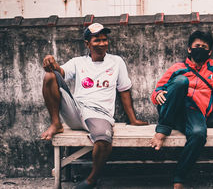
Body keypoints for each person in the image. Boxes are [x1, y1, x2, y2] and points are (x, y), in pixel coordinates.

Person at [40, 23, 148, 189]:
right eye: (97, 40)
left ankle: (91, 179)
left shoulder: (117, 62)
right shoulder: (78, 62)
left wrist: (132, 119)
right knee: (49, 76)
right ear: (87, 44)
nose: (102, 43)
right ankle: (56, 123)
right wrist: (50, 61)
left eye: (105, 40)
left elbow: (124, 90)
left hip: (99, 114)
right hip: (76, 110)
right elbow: (59, 72)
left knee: (104, 141)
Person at [150, 30, 213, 189]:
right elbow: (158, 90)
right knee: (181, 82)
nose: (200, 49)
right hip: (172, 110)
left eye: (204, 47)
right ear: (189, 49)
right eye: (197, 46)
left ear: (210, 52)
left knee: (198, 135)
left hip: (195, 112)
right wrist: (157, 95)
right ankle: (162, 131)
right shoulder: (177, 68)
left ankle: (179, 177)